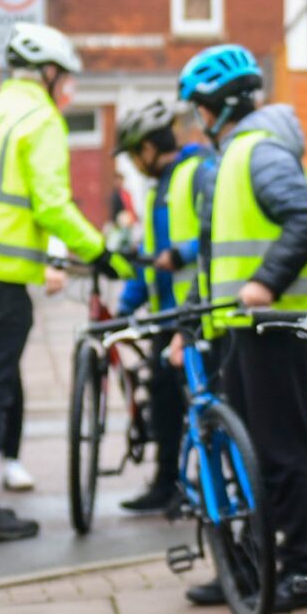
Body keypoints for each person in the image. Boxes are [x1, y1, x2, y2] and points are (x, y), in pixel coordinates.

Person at [0, 25, 129, 544]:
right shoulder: (38, 118)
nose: (64, 88)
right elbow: (51, 204)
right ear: (47, 72)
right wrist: (101, 253)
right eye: (63, 77)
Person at [176, 45, 307, 610]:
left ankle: (302, 569)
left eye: (200, 107)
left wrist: (265, 282)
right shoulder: (233, 157)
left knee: (281, 450)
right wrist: (187, 326)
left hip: (274, 328)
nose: (197, 118)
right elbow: (216, 258)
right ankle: (249, 567)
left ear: (222, 105)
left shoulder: (260, 151)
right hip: (237, 329)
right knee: (247, 456)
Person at [109, 97, 212, 514]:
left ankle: (193, 486)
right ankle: (166, 482)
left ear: (149, 147)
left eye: (136, 153)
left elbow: (216, 229)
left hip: (198, 310)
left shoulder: (199, 172)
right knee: (164, 405)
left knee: (191, 403)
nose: (135, 162)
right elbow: (149, 262)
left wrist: (184, 254)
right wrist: (124, 310)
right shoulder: (158, 191)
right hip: (168, 314)